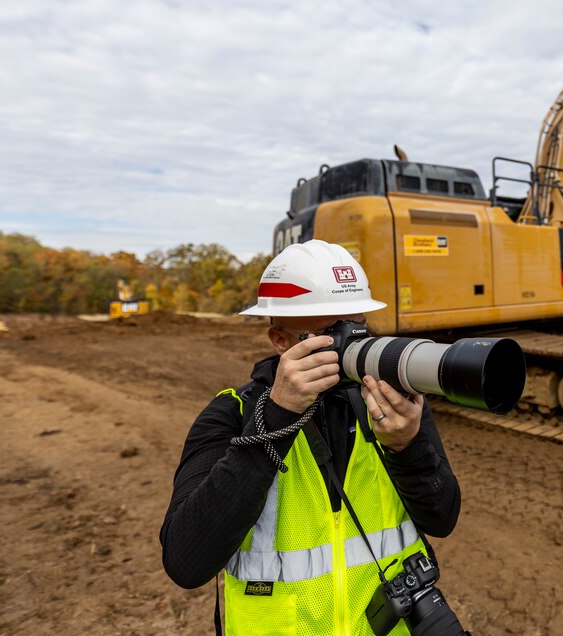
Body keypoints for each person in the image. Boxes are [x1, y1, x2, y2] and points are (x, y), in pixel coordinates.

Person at [160, 240, 461, 635]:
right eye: (332, 335)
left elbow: (442, 518)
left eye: (358, 329)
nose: (352, 346)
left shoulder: (388, 406)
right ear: (280, 340)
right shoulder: (231, 414)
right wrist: (276, 417)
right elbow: (186, 561)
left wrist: (407, 446)